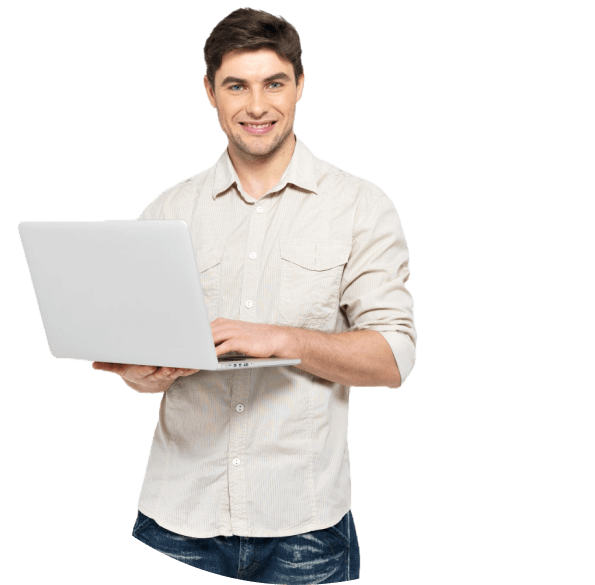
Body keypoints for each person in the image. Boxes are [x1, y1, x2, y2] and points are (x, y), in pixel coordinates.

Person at [92, 7, 416, 584]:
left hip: (304, 527)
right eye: (236, 86)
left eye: (274, 83)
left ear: (300, 86)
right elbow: (148, 369)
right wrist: (141, 372)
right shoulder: (168, 212)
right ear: (209, 92)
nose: (257, 106)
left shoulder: (361, 207)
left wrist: (281, 339)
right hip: (176, 518)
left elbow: (393, 359)